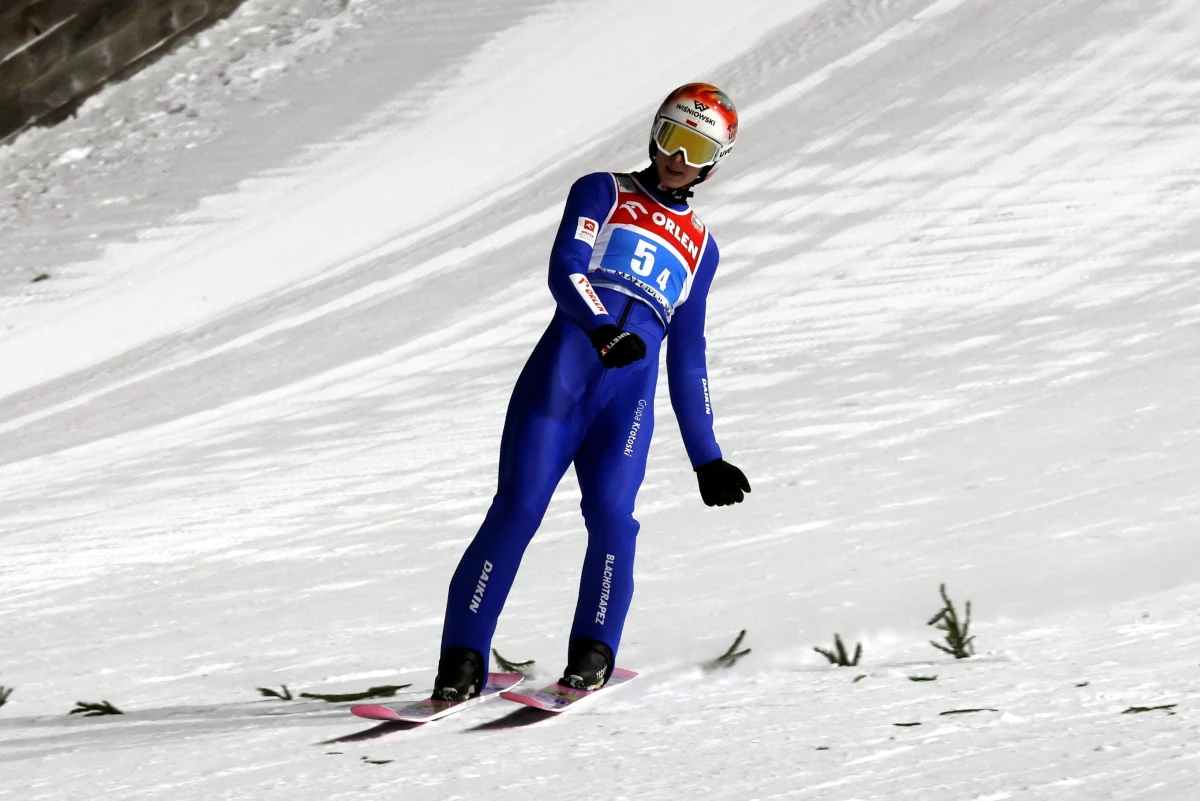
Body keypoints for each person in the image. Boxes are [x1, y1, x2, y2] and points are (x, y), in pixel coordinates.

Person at [432, 83, 751, 700]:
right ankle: (461, 663)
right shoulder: (604, 190)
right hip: (564, 373)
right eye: (669, 137)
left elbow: (688, 357)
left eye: (694, 147)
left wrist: (706, 456)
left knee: (612, 518)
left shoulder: (703, 250)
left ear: (714, 162)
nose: (676, 157)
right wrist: (603, 329)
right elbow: (565, 269)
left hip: (626, 405)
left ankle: (593, 654)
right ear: (654, 132)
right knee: (517, 510)